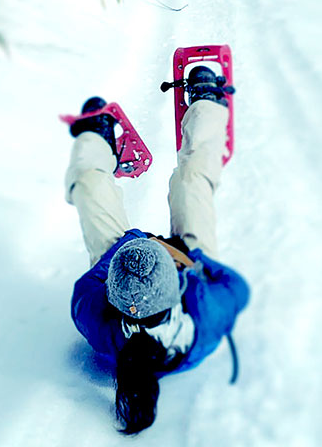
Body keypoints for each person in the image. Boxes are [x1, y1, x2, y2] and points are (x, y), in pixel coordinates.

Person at [65, 66, 250, 434]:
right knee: (192, 181)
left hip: (120, 254)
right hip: (188, 258)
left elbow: (85, 286)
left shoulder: (96, 320)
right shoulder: (207, 317)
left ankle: (96, 137)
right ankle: (207, 107)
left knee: (90, 188)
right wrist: (194, 262)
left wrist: (123, 248)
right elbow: (236, 286)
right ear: (176, 288)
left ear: (112, 297)